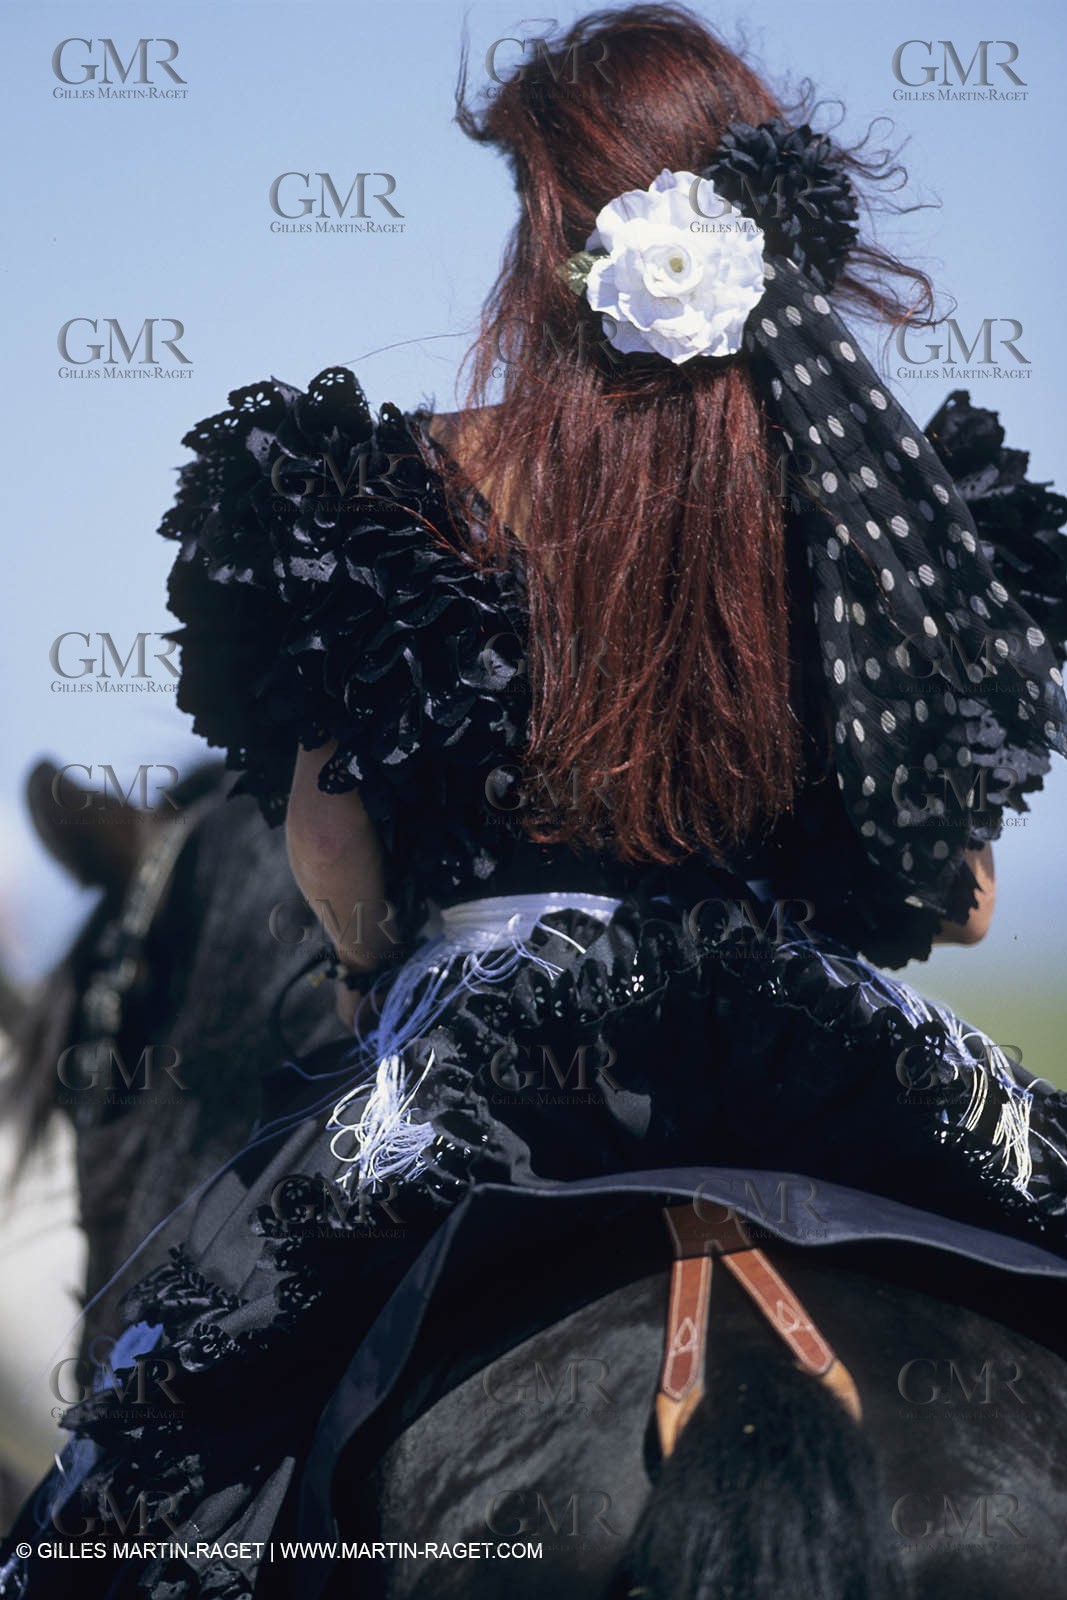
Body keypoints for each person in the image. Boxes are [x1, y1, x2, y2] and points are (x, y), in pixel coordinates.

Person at [4, 6, 1067, 1597]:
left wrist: (368, 957)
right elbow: (958, 892)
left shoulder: (401, 486)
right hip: (832, 1040)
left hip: (487, 1041)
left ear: (551, 228)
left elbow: (335, 841)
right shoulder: (876, 494)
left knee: (149, 1459)